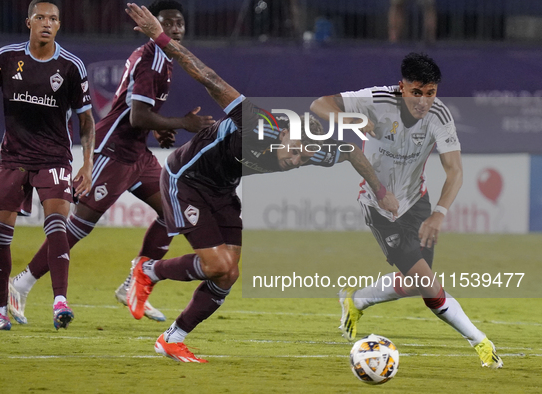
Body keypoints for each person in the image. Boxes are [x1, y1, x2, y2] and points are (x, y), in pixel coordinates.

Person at [122, 3, 398, 363]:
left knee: (229, 274)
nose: (295, 158)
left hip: (222, 188)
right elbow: (206, 76)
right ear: (283, 132)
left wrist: (380, 191)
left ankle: (172, 338)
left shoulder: (314, 150)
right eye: (295, 151)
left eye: (302, 157)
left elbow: (352, 153)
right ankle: (146, 270)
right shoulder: (257, 122)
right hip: (185, 178)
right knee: (217, 264)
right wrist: (159, 36)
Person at [8, 0, 214, 325]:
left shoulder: (165, 58)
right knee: (77, 228)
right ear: (151, 27)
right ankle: (21, 283)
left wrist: (159, 132)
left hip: (137, 153)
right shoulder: (151, 60)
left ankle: (134, 285)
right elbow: (137, 114)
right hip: (114, 151)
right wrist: (181, 124)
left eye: (178, 24)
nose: (174, 29)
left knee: (173, 210)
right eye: (166, 24)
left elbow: (142, 113)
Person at [310, 52, 503, 368]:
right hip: (380, 205)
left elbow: (455, 170)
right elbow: (319, 105)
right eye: (417, 92)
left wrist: (439, 213)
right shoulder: (376, 99)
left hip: (418, 204)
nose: (424, 101)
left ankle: (356, 300)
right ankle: (480, 341)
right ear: (402, 87)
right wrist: (353, 121)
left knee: (416, 283)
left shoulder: (439, 116)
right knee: (427, 283)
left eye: (431, 93)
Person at [0, 0, 95, 331]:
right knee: (0, 234)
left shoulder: (71, 66)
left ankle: (60, 301)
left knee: (57, 223)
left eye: (53, 19)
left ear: (59, 26)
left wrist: (87, 163)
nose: (46, 23)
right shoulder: (7, 58)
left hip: (54, 157)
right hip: (13, 158)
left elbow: (87, 121)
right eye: (40, 17)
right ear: (28, 22)